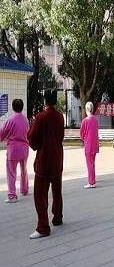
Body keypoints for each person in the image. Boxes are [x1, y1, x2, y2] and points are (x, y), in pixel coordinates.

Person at [28, 88, 64, 239]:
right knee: (57, 190)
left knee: (40, 194)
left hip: (44, 160)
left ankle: (43, 226)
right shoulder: (60, 116)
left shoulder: (40, 117)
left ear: (45, 100)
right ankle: (58, 217)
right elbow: (60, 136)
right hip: (57, 158)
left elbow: (32, 140)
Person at [0, 99, 30, 203]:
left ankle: (12, 195)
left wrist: (4, 138)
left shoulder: (10, 120)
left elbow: (2, 132)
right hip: (24, 148)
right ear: (22, 107)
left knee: (11, 172)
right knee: (24, 170)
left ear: (13, 107)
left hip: (13, 149)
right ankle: (24, 189)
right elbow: (28, 132)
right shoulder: (26, 120)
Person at [80, 101, 99, 189]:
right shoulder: (95, 120)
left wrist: (84, 139)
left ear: (86, 109)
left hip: (89, 144)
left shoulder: (85, 121)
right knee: (92, 163)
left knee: (89, 164)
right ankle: (92, 179)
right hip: (95, 144)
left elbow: (82, 134)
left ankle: (91, 182)